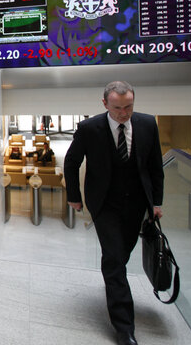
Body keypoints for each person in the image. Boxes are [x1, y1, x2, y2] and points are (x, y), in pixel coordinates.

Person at [64, 81, 164, 345]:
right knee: (114, 260)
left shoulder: (147, 124)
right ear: (105, 104)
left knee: (122, 253)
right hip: (104, 203)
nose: (124, 113)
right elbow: (72, 161)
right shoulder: (89, 128)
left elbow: (155, 167)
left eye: (129, 107)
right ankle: (124, 328)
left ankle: (115, 280)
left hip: (137, 203)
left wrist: (157, 202)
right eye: (118, 107)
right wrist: (73, 195)